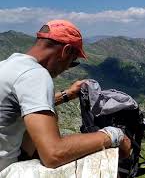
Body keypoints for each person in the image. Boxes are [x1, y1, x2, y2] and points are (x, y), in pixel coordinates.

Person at [0, 20, 131, 171]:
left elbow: (23, 104)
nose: (68, 68)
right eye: (72, 61)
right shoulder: (35, 75)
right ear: (66, 51)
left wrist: (67, 94)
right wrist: (114, 135)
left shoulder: (8, 64)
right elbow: (54, 154)